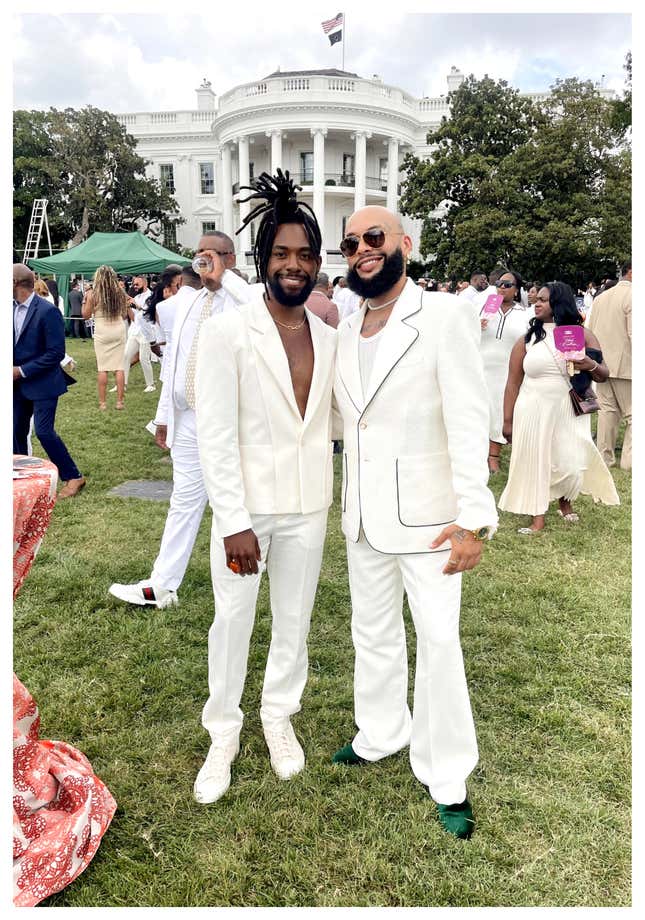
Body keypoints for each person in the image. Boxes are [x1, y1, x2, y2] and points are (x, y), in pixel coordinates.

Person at [331, 205, 497, 840]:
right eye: (351, 243)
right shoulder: (346, 328)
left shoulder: (444, 316)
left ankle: (447, 770)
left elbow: (467, 419)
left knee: (438, 642)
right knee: (370, 633)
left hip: (431, 522)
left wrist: (473, 520)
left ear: (405, 243)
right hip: (364, 518)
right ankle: (380, 731)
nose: (362, 250)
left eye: (374, 238)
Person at [192, 170, 336, 804]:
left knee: (294, 619)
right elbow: (214, 434)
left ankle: (279, 715)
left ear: (318, 262)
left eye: (305, 255)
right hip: (247, 511)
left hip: (309, 503)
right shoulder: (229, 331)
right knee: (232, 619)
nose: (294, 265)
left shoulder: (332, 338)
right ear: (263, 259)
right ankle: (223, 730)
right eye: (282, 254)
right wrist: (232, 519)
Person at [108, 233, 250, 610]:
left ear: (231, 259)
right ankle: (162, 585)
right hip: (187, 418)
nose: (205, 261)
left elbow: (262, 313)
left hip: (228, 423)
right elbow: (173, 361)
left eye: (214, 255)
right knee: (184, 500)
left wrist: (226, 278)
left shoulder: (243, 301)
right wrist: (163, 418)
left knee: (231, 502)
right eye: (199, 255)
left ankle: (239, 578)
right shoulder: (186, 303)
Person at [498, 281, 619, 533]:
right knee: (536, 460)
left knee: (571, 461)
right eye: (536, 299)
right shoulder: (527, 339)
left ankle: (566, 501)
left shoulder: (582, 335)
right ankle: (537, 517)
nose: (536, 302)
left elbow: (603, 374)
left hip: (569, 406)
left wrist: (588, 363)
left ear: (559, 303)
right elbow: (512, 383)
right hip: (532, 407)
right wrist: (507, 420)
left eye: (543, 299)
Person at [13, 264, 86, 498]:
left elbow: (55, 353)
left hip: (43, 382)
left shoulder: (47, 311)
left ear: (15, 283)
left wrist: (21, 371)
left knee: (44, 432)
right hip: (15, 385)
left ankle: (73, 476)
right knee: (15, 431)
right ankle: (20, 478)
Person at [480, 270, 533, 474]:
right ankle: (477, 453)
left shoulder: (525, 315)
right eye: (499, 283)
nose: (502, 287)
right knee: (480, 411)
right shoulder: (482, 309)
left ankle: (494, 456)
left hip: (507, 373)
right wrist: (476, 325)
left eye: (507, 284)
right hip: (481, 369)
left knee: (500, 413)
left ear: (517, 290)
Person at [587, 260, 631, 470]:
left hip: (601, 365)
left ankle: (605, 459)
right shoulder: (634, 296)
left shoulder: (601, 297)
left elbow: (590, 330)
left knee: (606, 412)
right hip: (628, 365)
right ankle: (630, 461)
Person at [82, 265, 130, 410]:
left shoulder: (93, 294)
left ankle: (103, 403)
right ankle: (120, 402)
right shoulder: (120, 292)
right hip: (118, 327)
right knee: (119, 366)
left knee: (102, 367)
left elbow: (85, 315)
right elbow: (124, 314)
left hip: (102, 329)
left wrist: (85, 301)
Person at [122, 278, 157, 393]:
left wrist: (136, 306)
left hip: (146, 332)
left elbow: (147, 315)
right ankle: (123, 384)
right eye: (133, 284)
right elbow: (133, 318)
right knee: (126, 356)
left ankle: (151, 384)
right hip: (134, 331)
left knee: (143, 358)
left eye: (137, 284)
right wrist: (128, 307)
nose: (134, 286)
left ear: (145, 283)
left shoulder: (151, 296)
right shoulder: (136, 297)